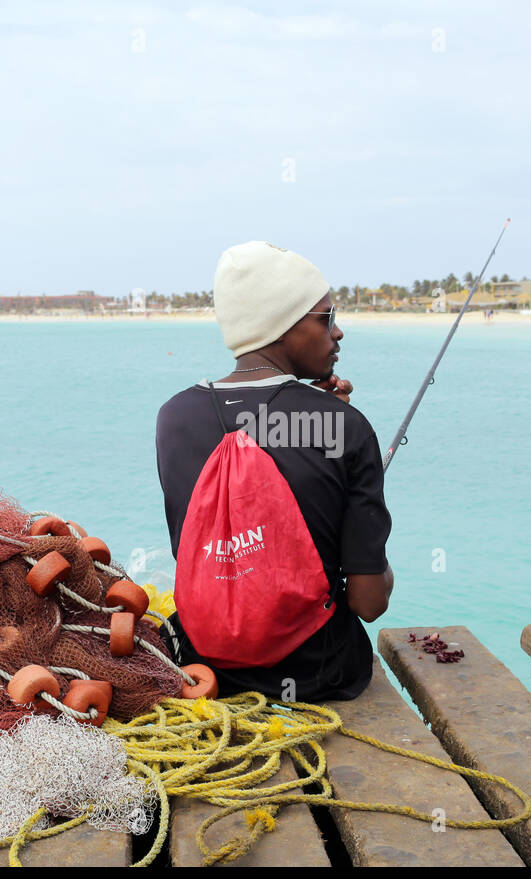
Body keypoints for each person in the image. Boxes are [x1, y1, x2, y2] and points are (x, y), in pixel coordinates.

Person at [155, 241, 394, 700]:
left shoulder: (174, 417)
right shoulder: (341, 427)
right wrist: (342, 428)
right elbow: (369, 603)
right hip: (318, 673)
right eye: (326, 318)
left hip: (203, 668)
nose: (338, 332)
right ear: (282, 326)